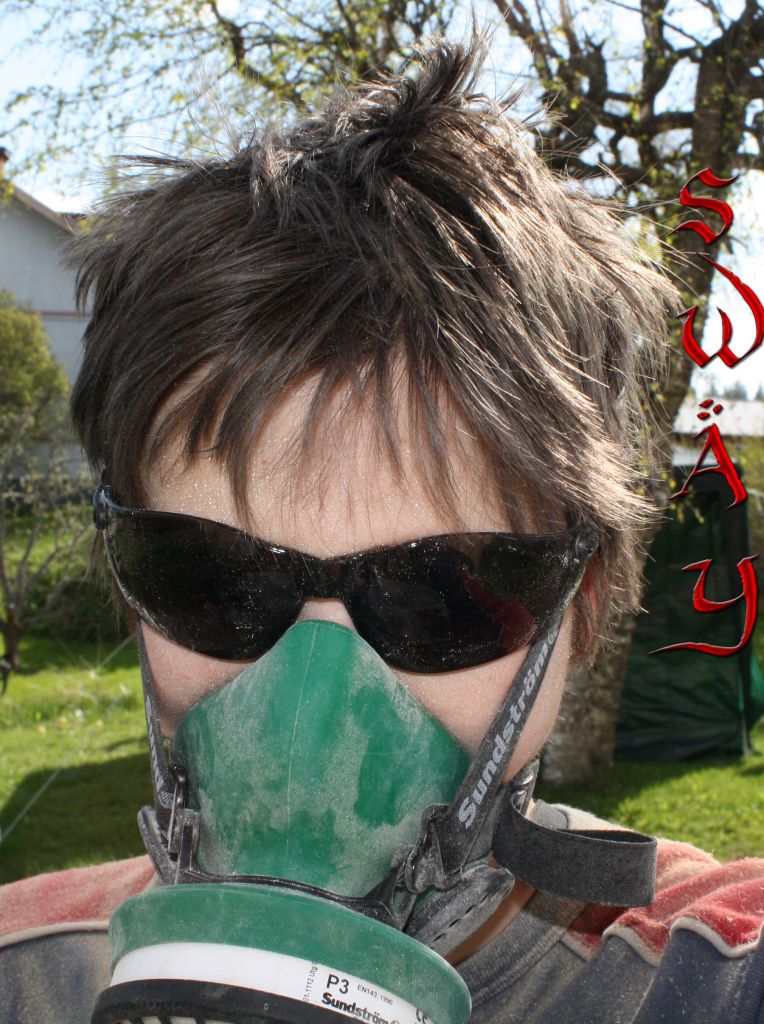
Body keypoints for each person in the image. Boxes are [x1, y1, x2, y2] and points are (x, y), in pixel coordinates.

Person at [2, 31, 763, 1024]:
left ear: (580, 610)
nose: (313, 704)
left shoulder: (706, 979)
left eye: (437, 593)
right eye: (214, 578)